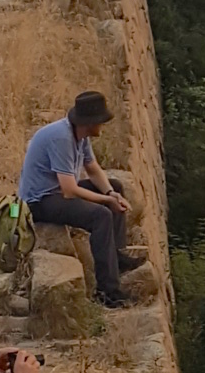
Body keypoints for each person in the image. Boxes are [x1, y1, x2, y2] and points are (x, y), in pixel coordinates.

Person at [18, 91, 148, 304]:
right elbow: (69, 189)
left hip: (57, 191)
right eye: (101, 122)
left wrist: (110, 193)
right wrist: (106, 201)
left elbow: (93, 169)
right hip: (39, 200)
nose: (102, 127)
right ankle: (108, 291)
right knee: (101, 216)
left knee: (115, 186)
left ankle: (116, 257)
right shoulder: (61, 138)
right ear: (90, 123)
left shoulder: (80, 136)